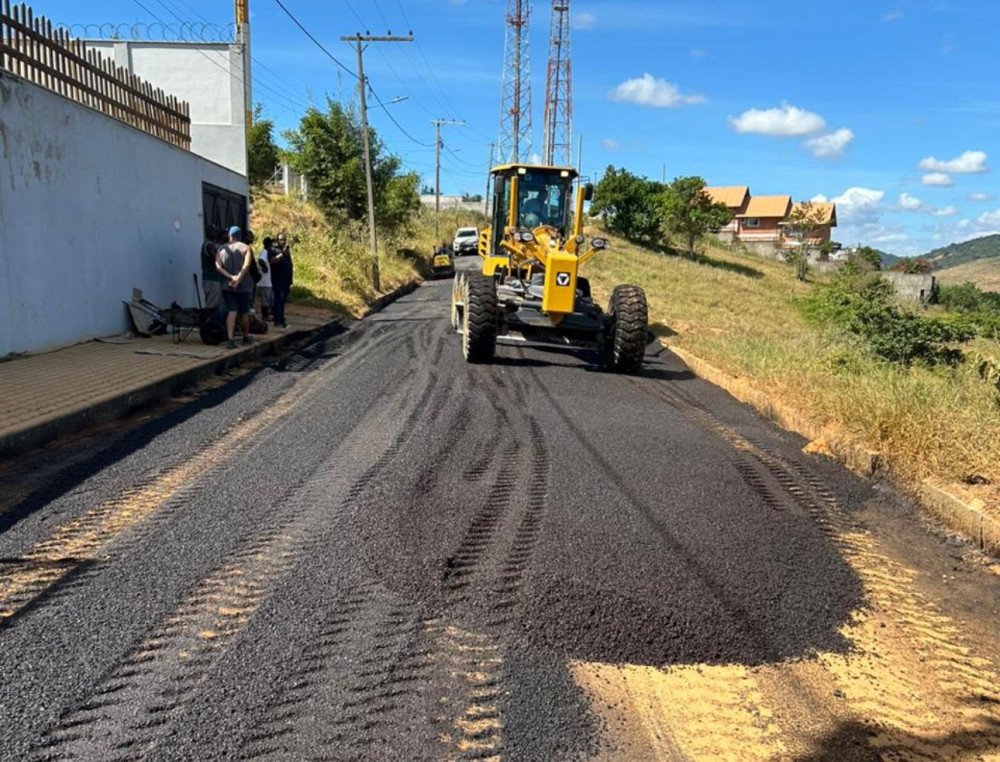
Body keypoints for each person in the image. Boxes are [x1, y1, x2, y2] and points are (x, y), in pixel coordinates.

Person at [215, 225, 254, 349]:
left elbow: (218, 267)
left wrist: (230, 277)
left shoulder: (221, 249)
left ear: (230, 236)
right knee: (244, 313)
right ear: (240, 236)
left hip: (228, 286)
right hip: (244, 286)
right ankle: (245, 337)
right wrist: (238, 278)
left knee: (231, 311)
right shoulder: (246, 248)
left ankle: (230, 340)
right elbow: (247, 265)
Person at [270, 231, 294, 328]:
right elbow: (272, 261)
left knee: (283, 301)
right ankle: (278, 321)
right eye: (281, 240)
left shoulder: (286, 251)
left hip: (286, 280)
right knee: (278, 300)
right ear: (277, 240)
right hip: (278, 280)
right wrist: (281, 255)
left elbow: (289, 265)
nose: (283, 242)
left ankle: (281, 319)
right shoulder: (273, 250)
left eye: (284, 240)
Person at [200, 225, 224, 309]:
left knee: (216, 304)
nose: (216, 233)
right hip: (211, 280)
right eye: (214, 231)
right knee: (211, 305)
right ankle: (208, 321)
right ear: (209, 233)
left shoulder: (212, 244)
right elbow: (216, 258)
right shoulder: (209, 245)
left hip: (214, 279)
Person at [258, 237, 274, 321]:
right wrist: (265, 268)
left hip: (267, 280)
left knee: (268, 298)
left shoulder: (266, 252)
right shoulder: (264, 252)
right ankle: (265, 316)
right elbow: (261, 260)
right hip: (265, 281)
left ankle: (267, 314)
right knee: (265, 298)